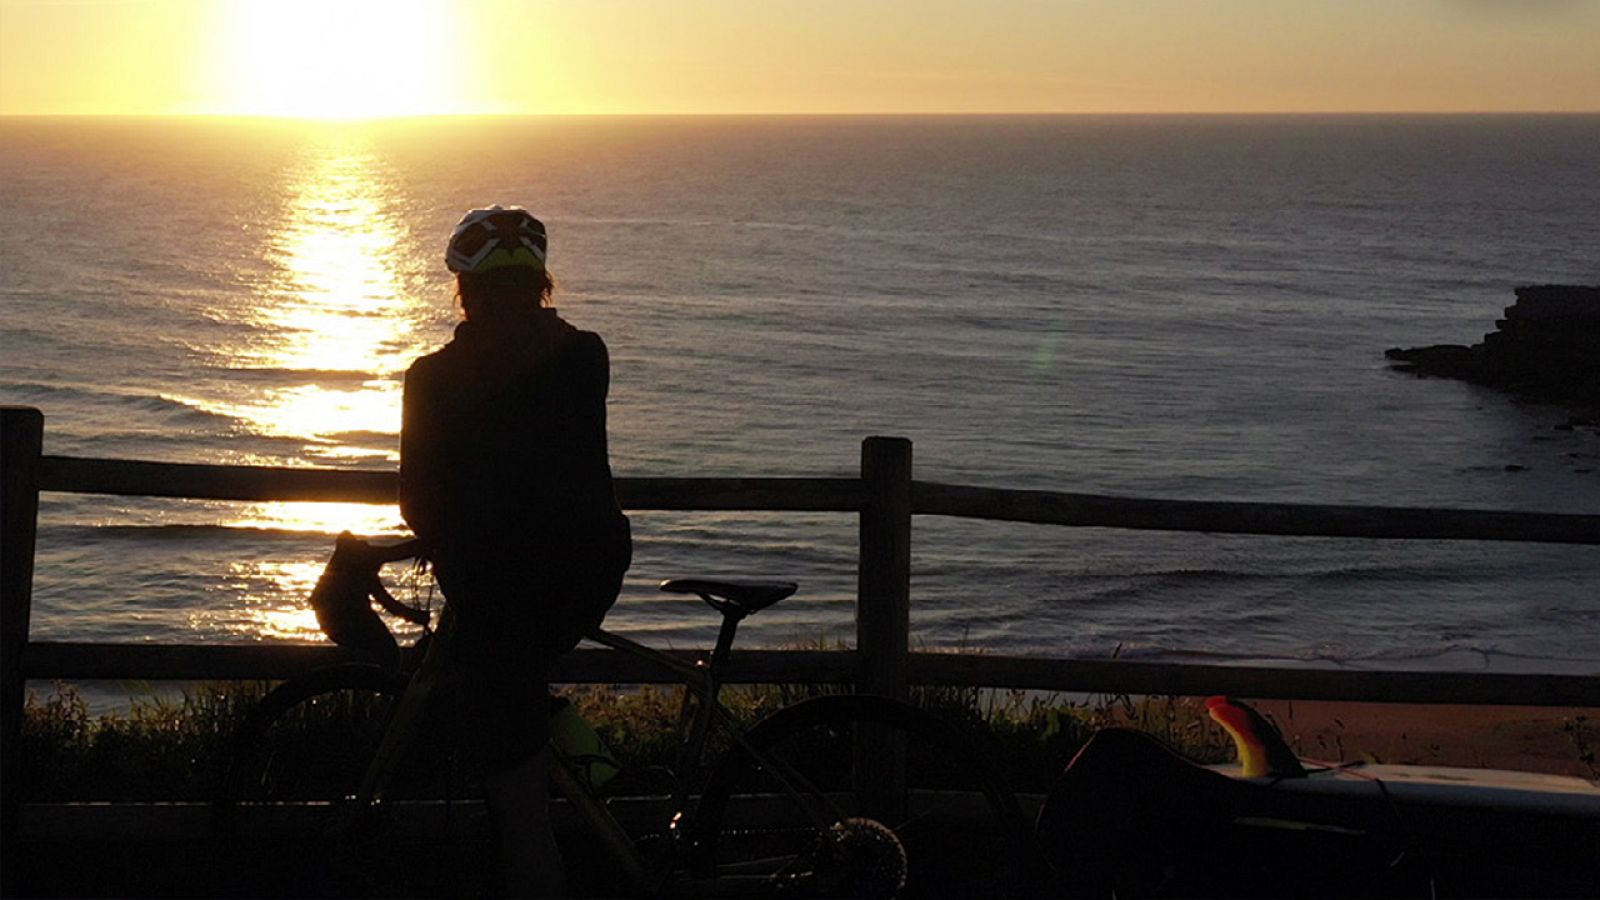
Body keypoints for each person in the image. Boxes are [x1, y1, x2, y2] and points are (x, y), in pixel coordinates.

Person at [400, 205, 632, 897]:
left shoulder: (432, 377)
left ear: (463, 292)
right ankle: (564, 749)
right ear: (542, 285)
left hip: (500, 585)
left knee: (515, 787)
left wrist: (439, 543)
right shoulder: (587, 355)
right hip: (588, 570)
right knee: (515, 691)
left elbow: (420, 497)